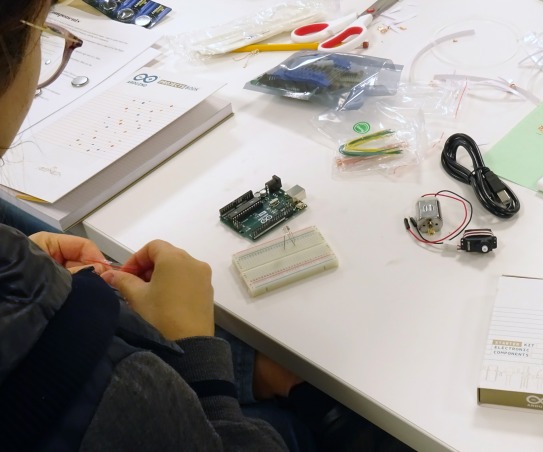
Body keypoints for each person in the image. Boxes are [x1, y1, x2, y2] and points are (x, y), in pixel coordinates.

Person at [0, 1, 412, 451]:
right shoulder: (80, 378)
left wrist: (33, 272)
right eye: (45, 32)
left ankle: (271, 374)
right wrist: (197, 355)